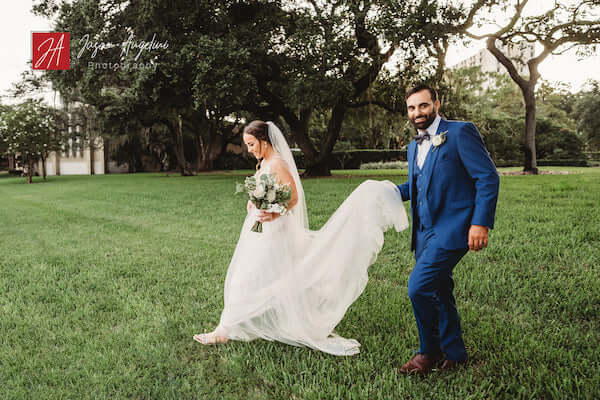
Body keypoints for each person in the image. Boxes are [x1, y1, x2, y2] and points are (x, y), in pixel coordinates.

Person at [193, 120, 409, 355]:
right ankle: (235, 326)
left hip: (274, 232)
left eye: (252, 144)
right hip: (258, 231)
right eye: (247, 145)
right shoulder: (264, 162)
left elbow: (293, 197)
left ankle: (224, 331)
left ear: (264, 141)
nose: (249, 149)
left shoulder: (277, 163)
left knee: (247, 278)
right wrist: (254, 201)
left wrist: (273, 214)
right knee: (260, 278)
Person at [397, 84, 500, 374]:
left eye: (423, 106)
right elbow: (417, 185)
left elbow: (487, 178)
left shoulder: (459, 132)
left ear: (436, 104)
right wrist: (384, 193)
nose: (417, 113)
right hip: (423, 233)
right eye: (412, 108)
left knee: (418, 288)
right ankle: (456, 354)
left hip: (452, 228)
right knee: (440, 291)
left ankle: (428, 352)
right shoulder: (413, 146)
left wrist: (480, 223)